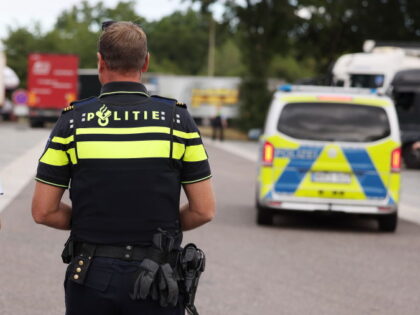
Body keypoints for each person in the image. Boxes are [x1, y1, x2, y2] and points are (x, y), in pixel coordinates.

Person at [31, 21, 215, 315]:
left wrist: (92, 224)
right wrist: (158, 227)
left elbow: (44, 211)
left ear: (100, 61)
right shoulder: (178, 122)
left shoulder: (72, 122)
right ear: (146, 61)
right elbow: (203, 209)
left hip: (89, 274)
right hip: (158, 278)